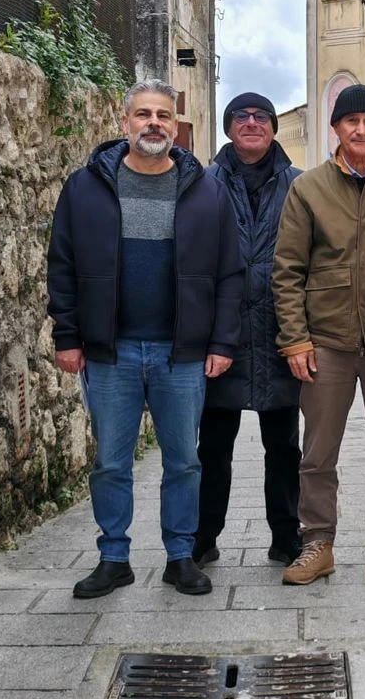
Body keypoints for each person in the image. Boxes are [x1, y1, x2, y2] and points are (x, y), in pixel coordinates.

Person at [47, 79, 242, 600]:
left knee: (184, 460)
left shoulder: (206, 189)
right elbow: (62, 267)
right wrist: (68, 336)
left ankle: (181, 556)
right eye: (143, 115)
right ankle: (114, 558)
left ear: (175, 127)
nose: (154, 123)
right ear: (124, 121)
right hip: (110, 351)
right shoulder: (85, 188)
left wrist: (222, 343)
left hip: (182, 353)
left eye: (163, 115)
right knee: (111, 462)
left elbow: (230, 272)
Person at [271, 84, 365, 587]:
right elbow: (287, 269)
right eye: (350, 121)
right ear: (335, 129)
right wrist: (295, 339)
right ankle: (317, 543)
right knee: (317, 452)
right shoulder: (308, 187)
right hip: (325, 341)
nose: (360, 129)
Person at [191, 92, 303, 570]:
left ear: (274, 128)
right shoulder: (201, 184)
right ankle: (202, 537)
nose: (252, 123)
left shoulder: (300, 186)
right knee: (213, 448)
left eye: (262, 116)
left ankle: (286, 537)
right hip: (223, 336)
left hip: (282, 335)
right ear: (228, 126)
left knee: (284, 448)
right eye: (242, 116)